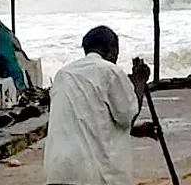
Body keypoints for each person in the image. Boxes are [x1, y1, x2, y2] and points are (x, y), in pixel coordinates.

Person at [44, 25, 157, 185]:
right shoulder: (110, 71)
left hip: (58, 171)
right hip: (94, 174)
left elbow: (84, 117)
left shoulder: (63, 74)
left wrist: (133, 131)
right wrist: (139, 80)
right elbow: (127, 116)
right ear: (111, 49)